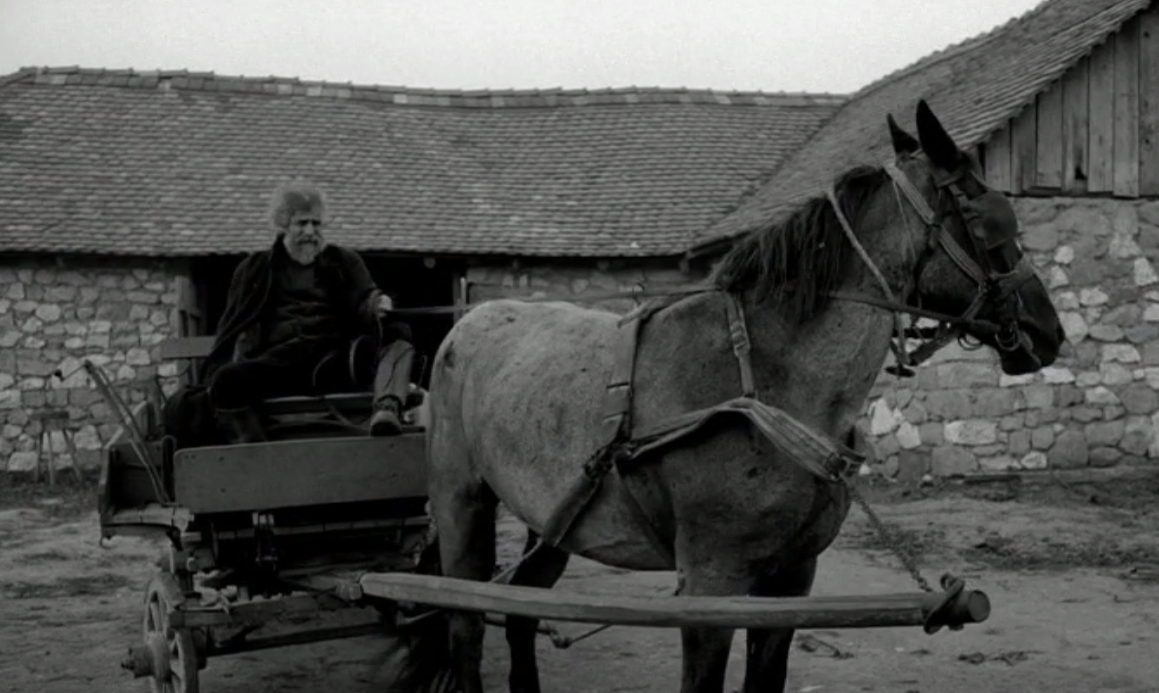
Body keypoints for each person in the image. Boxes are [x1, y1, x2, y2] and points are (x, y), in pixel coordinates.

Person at [193, 179, 415, 442]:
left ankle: (386, 410)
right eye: (302, 223)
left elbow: (365, 297)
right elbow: (234, 326)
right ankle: (257, 455)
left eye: (316, 223)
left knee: (399, 331)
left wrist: (377, 304)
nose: (310, 231)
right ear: (283, 224)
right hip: (279, 367)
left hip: (333, 363)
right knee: (227, 381)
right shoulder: (255, 269)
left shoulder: (344, 261)